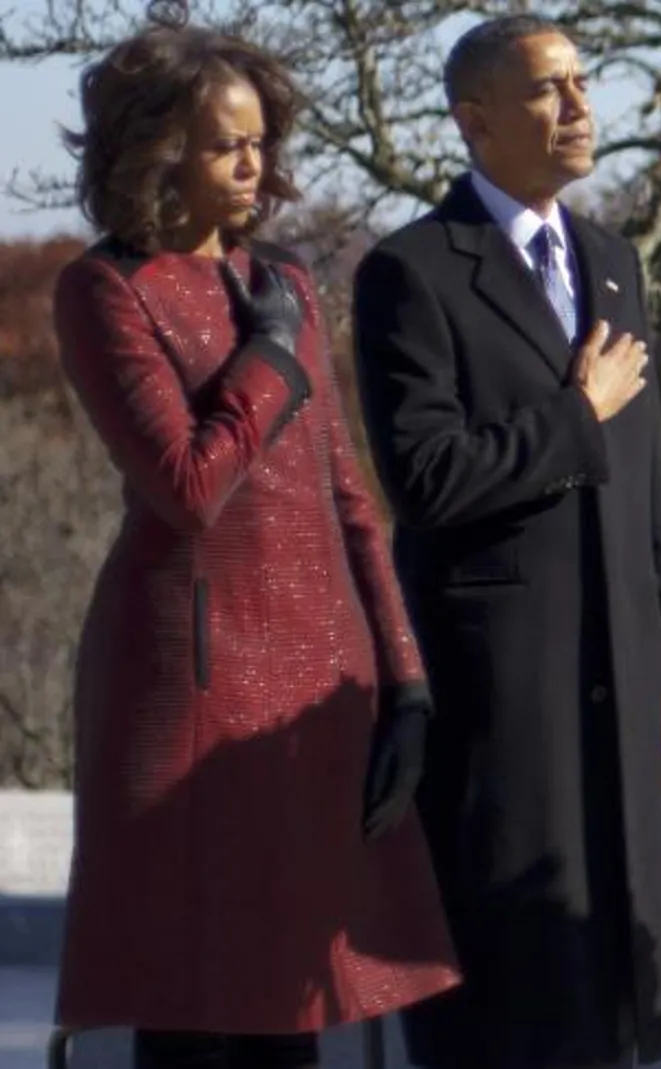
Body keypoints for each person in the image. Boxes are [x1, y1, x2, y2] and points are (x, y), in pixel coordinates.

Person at [49, 20, 460, 1069]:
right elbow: (189, 483)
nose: (257, 163)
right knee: (191, 1003)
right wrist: (268, 356)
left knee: (293, 1001)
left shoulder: (287, 284)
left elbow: (347, 497)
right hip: (189, 687)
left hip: (317, 687)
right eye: (228, 141)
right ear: (157, 152)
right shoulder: (106, 289)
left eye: (262, 140)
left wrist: (404, 682)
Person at [349, 14, 661, 1069]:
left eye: (583, 81)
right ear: (475, 118)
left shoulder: (611, 260)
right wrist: (574, 416)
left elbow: (649, 489)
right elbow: (426, 478)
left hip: (623, 676)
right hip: (503, 697)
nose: (581, 106)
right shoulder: (411, 273)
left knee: (622, 994)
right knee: (513, 998)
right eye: (550, 89)